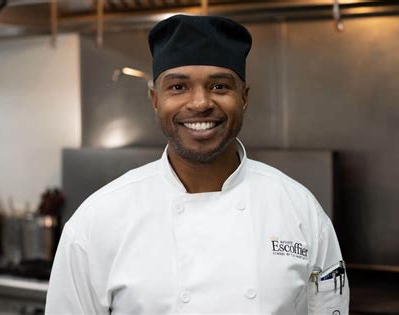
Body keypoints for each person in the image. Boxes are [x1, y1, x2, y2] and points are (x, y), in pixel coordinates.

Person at [46, 14, 349, 315]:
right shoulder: (97, 221)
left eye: (219, 86)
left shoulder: (301, 211)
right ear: (154, 99)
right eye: (178, 87)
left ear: (243, 98)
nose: (200, 103)